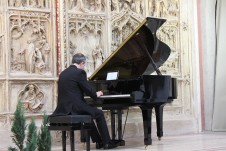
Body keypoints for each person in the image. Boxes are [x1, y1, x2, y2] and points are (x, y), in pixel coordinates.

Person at [51, 53, 118, 149]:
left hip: (63, 108)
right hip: (75, 107)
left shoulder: (63, 73)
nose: (84, 66)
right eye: (84, 64)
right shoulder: (79, 72)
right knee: (99, 113)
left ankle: (99, 142)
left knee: (89, 116)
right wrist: (96, 94)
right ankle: (107, 143)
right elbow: (87, 89)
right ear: (82, 63)